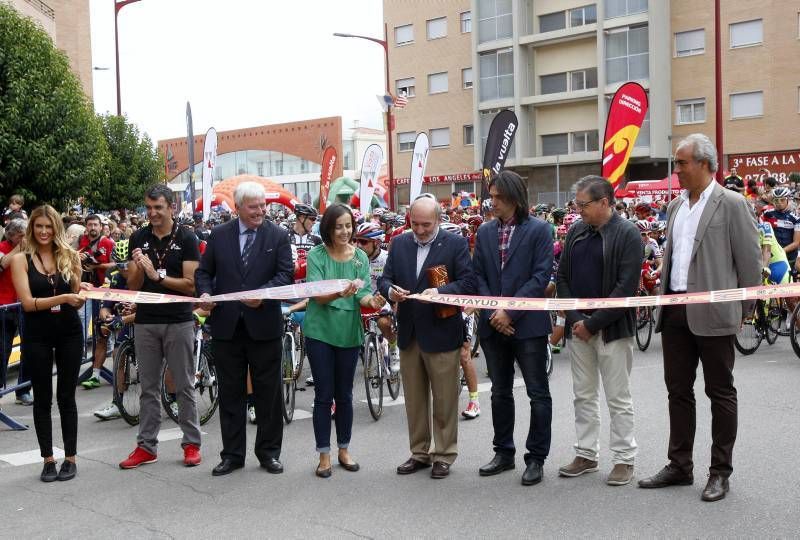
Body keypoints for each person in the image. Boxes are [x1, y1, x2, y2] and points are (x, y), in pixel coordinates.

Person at [638, 134, 761, 502]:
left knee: (720, 392)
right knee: (678, 391)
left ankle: (720, 472)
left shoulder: (733, 204)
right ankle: (680, 465)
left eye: (682, 163)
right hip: (675, 310)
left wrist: (744, 309)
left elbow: (750, 262)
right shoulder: (676, 206)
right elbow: (674, 256)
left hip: (714, 312)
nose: (676, 170)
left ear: (706, 164)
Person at [195, 181, 294, 476]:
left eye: (263, 205)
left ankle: (268, 452)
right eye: (254, 207)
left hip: (264, 326)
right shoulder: (219, 235)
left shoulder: (278, 235)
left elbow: (285, 275)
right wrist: (204, 293)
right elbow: (204, 272)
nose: (261, 211)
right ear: (237, 208)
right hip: (227, 327)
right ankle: (232, 455)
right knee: (230, 394)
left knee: (269, 394)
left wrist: (262, 294)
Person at [378, 194, 477, 479]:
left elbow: (468, 283)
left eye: (426, 225)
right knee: (415, 399)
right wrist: (390, 291)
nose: (419, 230)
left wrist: (441, 292)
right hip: (410, 331)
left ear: (438, 220)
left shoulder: (455, 244)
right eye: (415, 224)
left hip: (442, 330)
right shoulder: (399, 243)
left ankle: (444, 453)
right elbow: (385, 279)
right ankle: (419, 452)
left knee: (445, 398)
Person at [556, 175, 642, 486]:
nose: (578, 210)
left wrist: (591, 324)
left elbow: (626, 288)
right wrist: (576, 319)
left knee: (618, 398)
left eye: (583, 204)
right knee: (583, 396)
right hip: (579, 330)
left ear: (604, 202)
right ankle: (586, 454)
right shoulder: (576, 232)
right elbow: (562, 276)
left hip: (612, 330)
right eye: (577, 204)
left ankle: (624, 459)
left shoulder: (628, 234)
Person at [472, 171, 554, 486]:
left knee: (537, 394)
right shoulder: (485, 232)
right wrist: (496, 312)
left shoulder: (540, 230)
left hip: (527, 325)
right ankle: (504, 453)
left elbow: (540, 276)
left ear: (514, 198)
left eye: (497, 197)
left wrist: (511, 311)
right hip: (494, 325)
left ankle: (536, 458)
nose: (491, 202)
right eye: (490, 196)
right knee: (500, 392)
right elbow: (478, 275)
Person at [119, 184, 202, 470]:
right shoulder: (139, 237)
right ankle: (146, 447)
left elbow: (191, 285)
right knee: (148, 388)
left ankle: (191, 443)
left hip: (178, 320)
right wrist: (138, 268)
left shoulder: (188, 237)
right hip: (146, 321)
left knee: (184, 385)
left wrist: (158, 274)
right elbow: (133, 286)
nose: (152, 213)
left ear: (171, 208)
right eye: (149, 208)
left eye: (158, 208)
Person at [303, 204, 385, 478]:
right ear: (328, 227)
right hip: (320, 332)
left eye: (348, 225)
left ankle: (344, 449)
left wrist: (372, 300)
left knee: (346, 395)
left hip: (348, 332)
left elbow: (362, 295)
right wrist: (341, 292)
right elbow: (316, 294)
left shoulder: (360, 257)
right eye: (338, 226)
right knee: (324, 395)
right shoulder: (316, 255)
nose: (344, 231)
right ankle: (324, 454)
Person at [10, 206, 85, 482]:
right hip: (37, 334)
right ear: (31, 228)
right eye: (38, 226)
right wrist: (63, 299)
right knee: (42, 398)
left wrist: (78, 289)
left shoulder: (70, 255)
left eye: (48, 226)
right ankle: (48, 459)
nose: (43, 232)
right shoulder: (21, 260)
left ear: (56, 229)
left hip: (70, 332)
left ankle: (71, 458)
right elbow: (28, 304)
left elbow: (77, 291)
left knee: (66, 396)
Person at [78, 214, 115, 390]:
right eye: (90, 224)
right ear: (86, 226)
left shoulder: (108, 243)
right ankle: (95, 374)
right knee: (98, 332)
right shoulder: (81, 242)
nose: (93, 227)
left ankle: (121, 373)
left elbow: (117, 265)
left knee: (108, 332)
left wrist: (96, 266)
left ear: (101, 227)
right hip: (86, 291)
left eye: (96, 224)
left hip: (108, 293)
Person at [0, 218, 32, 405]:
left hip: (25, 305)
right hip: (5, 307)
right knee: (3, 350)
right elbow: (2, 264)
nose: (25, 239)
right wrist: (19, 248)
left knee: (29, 348)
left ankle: (23, 390)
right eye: (21, 235)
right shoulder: (4, 247)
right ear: (11, 235)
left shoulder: (32, 249)